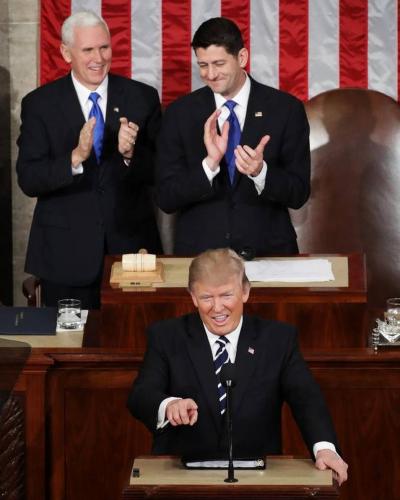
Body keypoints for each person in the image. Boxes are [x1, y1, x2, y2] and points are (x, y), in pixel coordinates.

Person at [127, 248, 348, 485]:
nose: (217, 308)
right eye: (206, 298)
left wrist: (324, 448)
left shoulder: (277, 339)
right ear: (192, 297)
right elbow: (141, 395)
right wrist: (168, 405)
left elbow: (307, 399)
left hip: (257, 477)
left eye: (226, 295)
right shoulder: (167, 336)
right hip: (182, 476)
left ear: (245, 291)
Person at [17, 10, 162, 309]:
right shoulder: (39, 104)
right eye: (88, 50)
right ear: (65, 52)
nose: (99, 57)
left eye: (104, 47)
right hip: (64, 255)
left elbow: (160, 173)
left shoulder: (142, 97)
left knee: (134, 347)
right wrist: (75, 157)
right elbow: (29, 179)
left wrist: (130, 155)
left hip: (132, 253)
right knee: (71, 348)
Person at [156, 17, 310, 257]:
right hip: (201, 259)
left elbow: (298, 193)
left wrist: (261, 172)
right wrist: (208, 166)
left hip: (268, 253)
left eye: (219, 63)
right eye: (203, 65)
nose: (210, 74)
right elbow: (165, 197)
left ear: (241, 58)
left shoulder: (285, 109)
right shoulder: (180, 113)